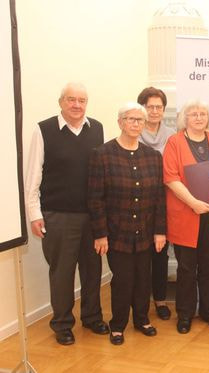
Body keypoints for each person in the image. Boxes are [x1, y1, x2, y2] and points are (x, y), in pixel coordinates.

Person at [24, 82, 108, 345]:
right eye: (71, 100)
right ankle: (62, 324)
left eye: (81, 100)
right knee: (62, 272)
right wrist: (35, 214)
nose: (76, 105)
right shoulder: (44, 129)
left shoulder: (97, 129)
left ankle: (92, 317)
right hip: (58, 216)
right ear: (61, 102)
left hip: (92, 215)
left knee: (93, 270)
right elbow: (33, 176)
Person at [88, 103, 166, 345]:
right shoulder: (102, 154)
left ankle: (142, 319)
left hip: (145, 230)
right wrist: (101, 234)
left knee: (144, 277)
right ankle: (118, 324)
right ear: (120, 122)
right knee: (123, 279)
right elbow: (95, 198)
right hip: (116, 232)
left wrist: (160, 231)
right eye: (130, 119)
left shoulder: (153, 157)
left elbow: (159, 198)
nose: (135, 124)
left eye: (139, 120)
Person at [163, 100, 209, 334]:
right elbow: (170, 178)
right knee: (187, 269)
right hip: (187, 214)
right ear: (185, 118)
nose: (199, 117)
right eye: (193, 114)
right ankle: (185, 314)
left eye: (203, 113)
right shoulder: (175, 142)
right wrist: (193, 203)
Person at [137, 87, 176, 321]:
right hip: (137, 203)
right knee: (140, 257)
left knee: (160, 254)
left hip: (164, 201)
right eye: (149, 106)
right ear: (142, 108)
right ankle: (140, 302)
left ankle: (160, 300)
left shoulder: (172, 135)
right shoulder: (132, 130)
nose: (154, 111)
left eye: (158, 107)